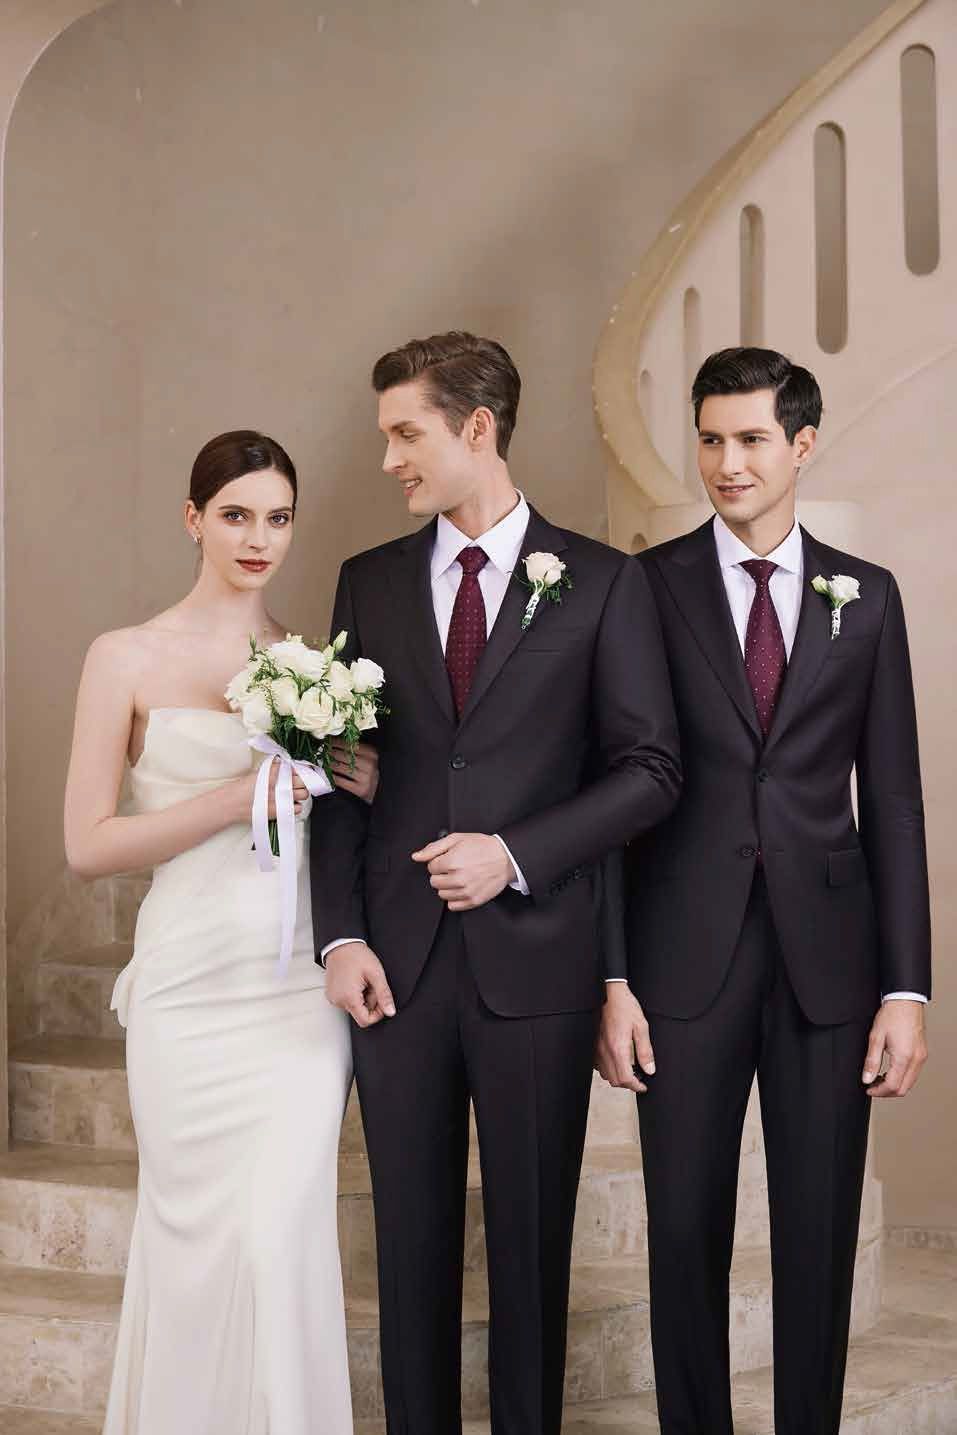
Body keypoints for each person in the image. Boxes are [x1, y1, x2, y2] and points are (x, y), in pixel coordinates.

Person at [310, 331, 681, 1434]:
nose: (389, 461)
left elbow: (651, 771)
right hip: (397, 970)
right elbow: (337, 773)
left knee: (529, 1256)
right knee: (410, 1255)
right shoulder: (367, 581)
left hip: (542, 968)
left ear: (478, 429)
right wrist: (339, 936)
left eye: (405, 434)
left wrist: (513, 853)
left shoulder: (606, 582)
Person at [597, 347, 931, 1435]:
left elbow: (894, 803)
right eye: (710, 439)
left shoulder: (866, 598)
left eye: (749, 440)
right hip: (680, 956)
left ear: (801, 444)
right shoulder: (643, 587)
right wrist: (612, 972)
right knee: (683, 1228)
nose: (726, 463)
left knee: (818, 1230)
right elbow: (614, 789)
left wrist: (906, 990)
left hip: (828, 966)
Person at [64, 430, 377, 1435]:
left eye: (278, 517)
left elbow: (340, 831)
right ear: (194, 518)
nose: (258, 537)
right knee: (191, 1235)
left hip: (292, 989)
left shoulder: (314, 667)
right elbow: (88, 844)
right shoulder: (123, 655)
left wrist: (354, 778)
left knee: (280, 1231)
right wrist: (245, 792)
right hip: (186, 983)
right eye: (236, 514)